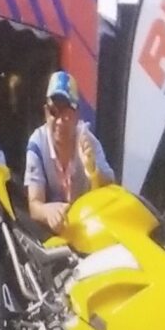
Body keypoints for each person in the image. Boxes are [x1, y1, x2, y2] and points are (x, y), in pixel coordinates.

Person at [24, 70, 115, 231]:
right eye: (54, 112)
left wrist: (93, 171)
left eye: (66, 113)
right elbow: (34, 205)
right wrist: (47, 211)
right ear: (46, 112)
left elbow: (110, 191)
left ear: (77, 115)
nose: (60, 121)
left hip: (86, 226)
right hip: (52, 233)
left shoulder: (89, 142)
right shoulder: (37, 143)